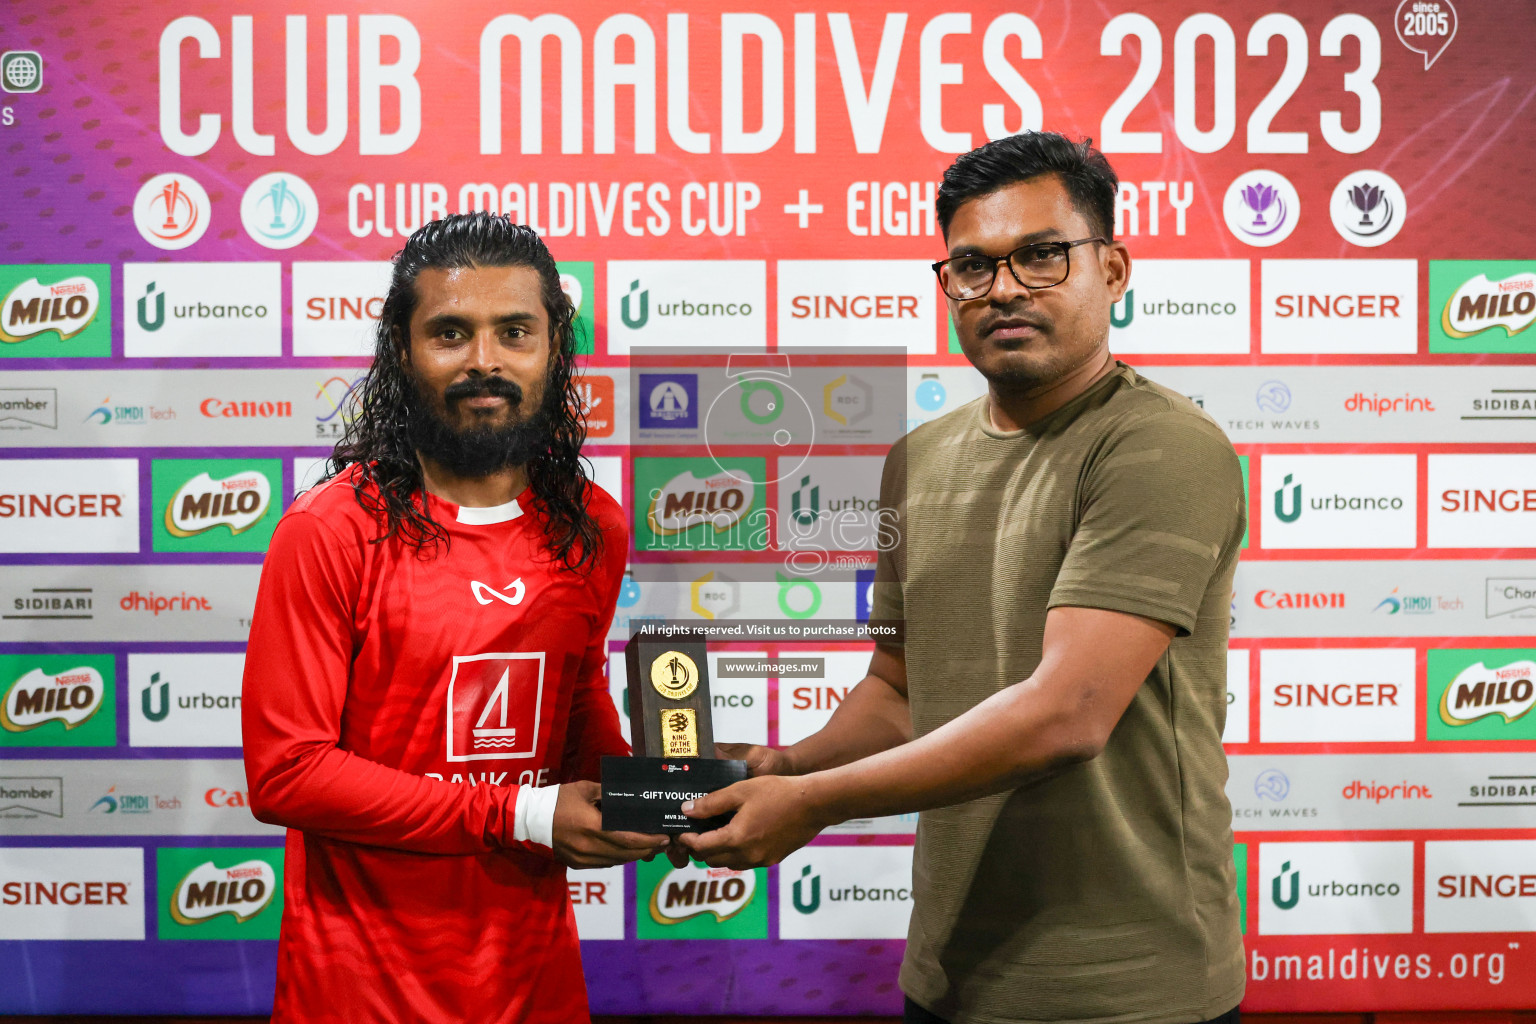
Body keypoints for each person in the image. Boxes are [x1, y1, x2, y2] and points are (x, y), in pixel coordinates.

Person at [678, 132, 1247, 1024]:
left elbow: (1066, 714)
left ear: (1115, 268)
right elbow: (902, 693)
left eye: (1042, 255)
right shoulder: (916, 460)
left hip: (1127, 989)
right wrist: (788, 764)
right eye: (972, 266)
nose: (1005, 288)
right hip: (949, 978)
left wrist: (811, 803)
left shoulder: (1160, 447)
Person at [242, 213, 667, 1023]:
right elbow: (287, 771)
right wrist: (523, 813)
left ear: (554, 348)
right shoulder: (330, 530)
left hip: (532, 983)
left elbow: (571, 705)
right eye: (450, 333)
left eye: (514, 332)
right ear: (402, 351)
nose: (485, 361)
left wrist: (660, 797)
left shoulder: (593, 525)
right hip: (359, 991)